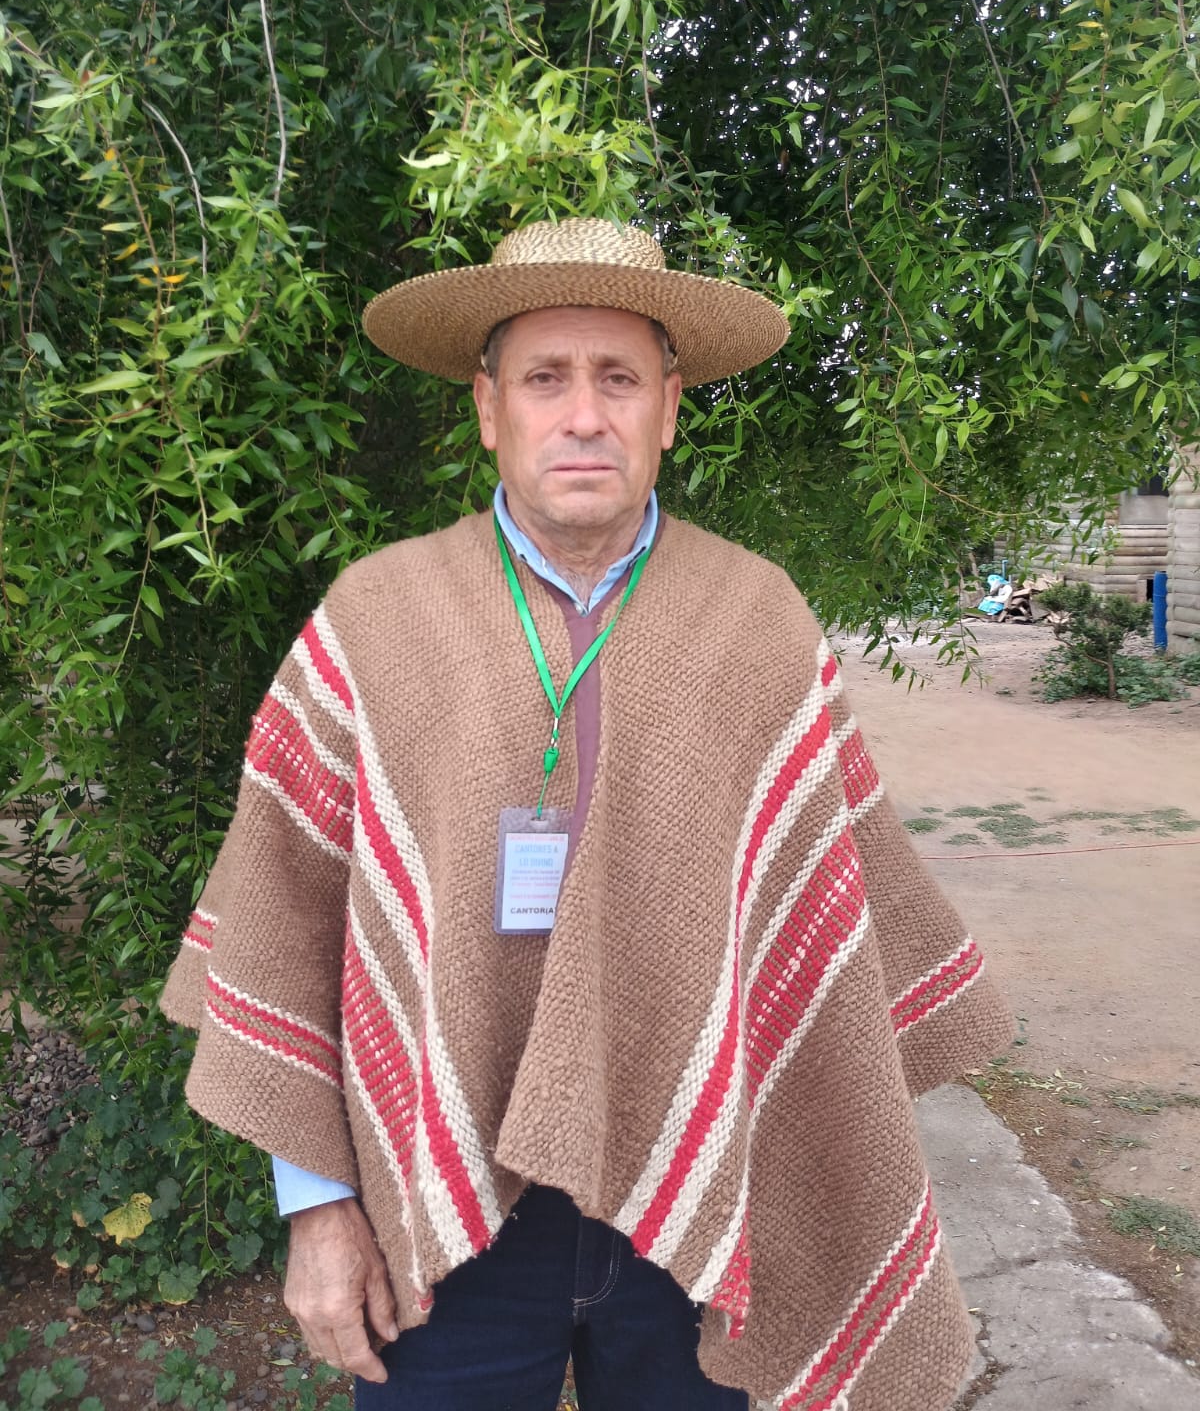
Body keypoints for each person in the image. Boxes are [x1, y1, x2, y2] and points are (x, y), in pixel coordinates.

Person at [161, 217, 1011, 1411]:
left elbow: (827, 922)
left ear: (668, 408)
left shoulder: (756, 620)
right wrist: (317, 1207)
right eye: (544, 378)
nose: (582, 415)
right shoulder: (378, 618)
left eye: (618, 378)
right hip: (440, 1213)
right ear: (487, 406)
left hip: (700, 1214)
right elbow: (283, 922)